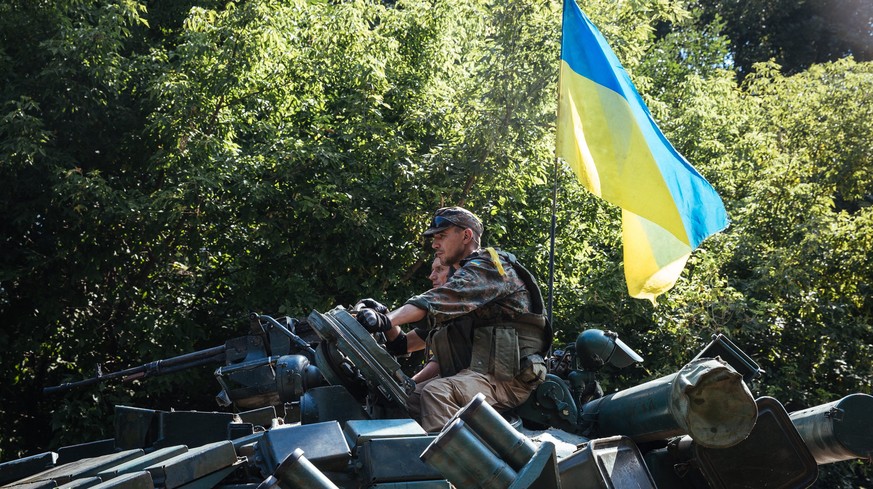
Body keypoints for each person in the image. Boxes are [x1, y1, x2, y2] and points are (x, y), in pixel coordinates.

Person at [356, 206, 552, 432]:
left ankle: (451, 455)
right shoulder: (465, 300)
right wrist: (383, 318)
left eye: (442, 236)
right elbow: (404, 344)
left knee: (437, 392)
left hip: (507, 378)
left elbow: (436, 300)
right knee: (403, 400)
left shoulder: (489, 267)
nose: (435, 244)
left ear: (466, 236)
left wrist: (386, 319)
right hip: (476, 376)